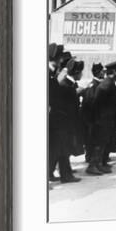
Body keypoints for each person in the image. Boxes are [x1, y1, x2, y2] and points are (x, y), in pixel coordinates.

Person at [54, 58, 85, 183]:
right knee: (64, 150)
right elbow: (64, 107)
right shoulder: (65, 85)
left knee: (65, 150)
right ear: (77, 72)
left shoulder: (69, 84)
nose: (82, 74)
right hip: (65, 124)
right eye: (81, 72)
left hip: (68, 123)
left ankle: (66, 173)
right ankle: (66, 176)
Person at [93, 61, 116, 172]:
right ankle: (93, 165)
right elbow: (97, 103)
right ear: (114, 72)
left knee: (104, 142)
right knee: (100, 143)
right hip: (102, 120)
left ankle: (101, 163)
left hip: (107, 119)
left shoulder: (110, 83)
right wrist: (99, 119)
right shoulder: (106, 84)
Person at [80, 62, 107, 175]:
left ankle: (97, 164)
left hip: (96, 119)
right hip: (93, 120)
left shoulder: (97, 84)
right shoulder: (93, 85)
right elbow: (90, 103)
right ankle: (92, 165)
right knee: (94, 143)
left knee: (98, 142)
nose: (104, 73)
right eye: (103, 71)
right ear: (99, 72)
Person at [48, 43, 64, 182]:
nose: (61, 61)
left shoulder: (52, 74)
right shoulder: (47, 74)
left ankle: (49, 172)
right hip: (50, 119)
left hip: (55, 119)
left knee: (54, 147)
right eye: (60, 58)